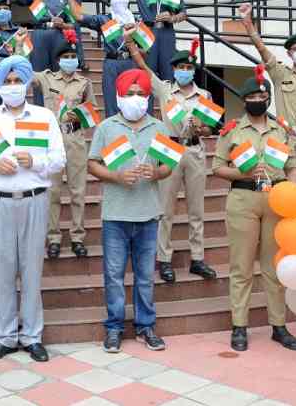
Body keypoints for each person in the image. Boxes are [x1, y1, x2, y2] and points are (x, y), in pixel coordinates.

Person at [0, 56, 66, 363]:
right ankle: (5, 336)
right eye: (7, 82)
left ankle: (32, 336)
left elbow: (59, 159)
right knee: (2, 269)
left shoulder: (44, 116)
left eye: (17, 81)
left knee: (32, 270)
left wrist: (34, 162)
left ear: (27, 82)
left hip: (35, 198)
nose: (13, 87)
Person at [212, 67, 296, 352]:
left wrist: (295, 196)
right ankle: (240, 326)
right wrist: (243, 174)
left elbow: (292, 167)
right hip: (243, 200)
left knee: (274, 266)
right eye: (251, 95)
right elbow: (217, 168)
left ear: (268, 98)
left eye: (261, 95)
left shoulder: (281, 130)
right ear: (244, 99)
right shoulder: (232, 130)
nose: (257, 99)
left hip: (276, 199)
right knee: (241, 266)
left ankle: (279, 325)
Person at [88, 68, 171, 353]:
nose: (136, 98)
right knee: (113, 275)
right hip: (115, 214)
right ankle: (114, 327)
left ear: (148, 97)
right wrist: (117, 177)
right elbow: (93, 163)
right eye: (130, 94)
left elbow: (168, 166)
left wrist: (156, 173)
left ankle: (146, 326)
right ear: (119, 97)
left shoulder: (159, 128)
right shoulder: (106, 127)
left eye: (141, 94)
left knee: (145, 275)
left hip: (148, 213)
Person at [128, 40, 218, 283]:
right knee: (165, 208)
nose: (185, 71)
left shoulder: (205, 95)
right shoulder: (165, 89)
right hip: (168, 146)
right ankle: (164, 259)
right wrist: (131, 45)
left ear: (194, 70)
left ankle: (197, 258)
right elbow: (144, 69)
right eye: (180, 67)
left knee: (196, 209)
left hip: (194, 149)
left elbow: (210, 128)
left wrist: (203, 129)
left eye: (189, 68)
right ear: (174, 69)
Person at [238, 4, 296, 180]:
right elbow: (263, 51)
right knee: (279, 185)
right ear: (289, 54)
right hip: (284, 139)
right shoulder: (280, 74)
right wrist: (248, 25)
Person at [31, 30, 96, 259]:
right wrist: (20, 47)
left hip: (75, 139)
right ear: (58, 60)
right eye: (66, 56)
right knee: (54, 192)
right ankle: (54, 237)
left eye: (73, 56)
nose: (71, 59)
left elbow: (91, 113)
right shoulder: (47, 78)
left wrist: (76, 118)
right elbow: (25, 73)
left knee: (78, 192)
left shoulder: (85, 83)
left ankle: (78, 237)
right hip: (52, 140)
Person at [63, 0, 137, 117]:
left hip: (131, 61)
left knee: (132, 101)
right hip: (111, 62)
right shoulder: (104, 20)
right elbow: (78, 16)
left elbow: (146, 46)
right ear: (110, 1)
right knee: (111, 103)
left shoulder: (137, 20)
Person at [15, 0, 79, 87]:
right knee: (39, 75)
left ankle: (58, 106)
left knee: (60, 75)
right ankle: (40, 106)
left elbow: (74, 24)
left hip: (59, 36)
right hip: (39, 35)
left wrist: (63, 25)